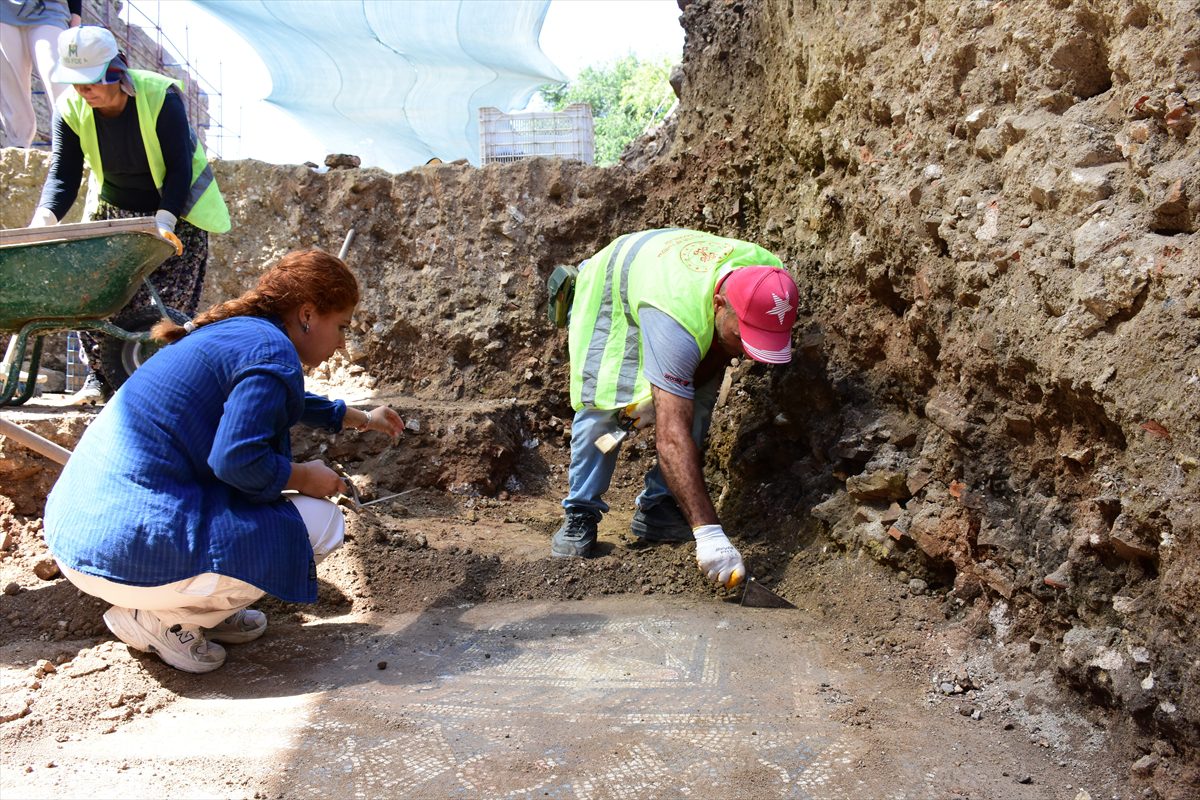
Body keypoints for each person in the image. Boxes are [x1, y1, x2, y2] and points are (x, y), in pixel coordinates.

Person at [43, 249, 405, 674]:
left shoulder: (241, 334)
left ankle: (203, 610)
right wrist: (304, 477)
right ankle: (163, 619)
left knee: (257, 510)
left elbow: (285, 397)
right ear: (308, 314)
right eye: (341, 326)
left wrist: (360, 418)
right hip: (123, 555)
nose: (343, 341)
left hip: (80, 534)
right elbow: (236, 461)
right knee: (323, 523)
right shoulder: (273, 352)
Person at [551, 228, 800, 590]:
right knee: (605, 401)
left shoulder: (770, 281)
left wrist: (674, 389)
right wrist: (710, 533)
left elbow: (717, 351)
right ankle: (580, 511)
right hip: (615, 284)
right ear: (719, 304)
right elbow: (670, 438)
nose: (748, 353)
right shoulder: (676, 316)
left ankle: (659, 507)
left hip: (670, 281)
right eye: (742, 338)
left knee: (696, 402)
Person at [28, 24, 230, 404]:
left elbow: (178, 167)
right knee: (94, 298)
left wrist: (165, 219)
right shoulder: (70, 107)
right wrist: (45, 217)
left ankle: (161, 388)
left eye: (90, 81)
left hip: (176, 213)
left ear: (116, 72)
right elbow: (63, 172)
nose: (82, 90)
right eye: (75, 82)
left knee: (160, 310)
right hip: (115, 210)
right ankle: (99, 381)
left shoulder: (159, 96)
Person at [0, 0, 80, 147]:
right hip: (3, 11)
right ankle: (18, 149)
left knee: (58, 80)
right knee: (10, 89)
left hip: (50, 10)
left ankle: (71, 145)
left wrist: (76, 15)